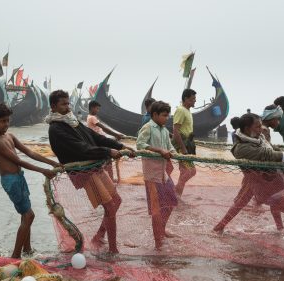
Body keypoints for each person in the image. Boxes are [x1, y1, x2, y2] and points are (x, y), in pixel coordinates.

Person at [47, 90, 135, 254]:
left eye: (68, 103)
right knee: (109, 207)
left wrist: (120, 146)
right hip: (83, 172)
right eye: (63, 104)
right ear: (53, 106)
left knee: (117, 201)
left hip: (95, 167)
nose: (68, 106)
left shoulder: (72, 121)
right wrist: (108, 152)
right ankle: (113, 250)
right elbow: (81, 149)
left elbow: (95, 137)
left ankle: (99, 236)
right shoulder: (56, 129)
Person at [231, 113, 284, 255]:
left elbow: (276, 151)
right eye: (257, 126)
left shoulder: (259, 139)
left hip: (278, 184)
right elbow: (273, 155)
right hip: (268, 190)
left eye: (261, 125)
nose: (261, 129)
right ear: (246, 128)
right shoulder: (242, 148)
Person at [0, 104, 59, 258]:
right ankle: (15, 256)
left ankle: (27, 250)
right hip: (11, 181)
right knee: (29, 216)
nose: (6, 124)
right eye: (2, 121)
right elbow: (19, 161)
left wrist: (52, 163)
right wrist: (43, 171)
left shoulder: (10, 136)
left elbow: (29, 152)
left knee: (25, 215)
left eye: (8, 121)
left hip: (19, 177)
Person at [214, 106, 284, 233]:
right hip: (258, 174)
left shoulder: (245, 133)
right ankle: (219, 226)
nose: (278, 122)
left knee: (243, 202)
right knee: (242, 203)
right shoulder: (263, 131)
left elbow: (268, 150)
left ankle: (220, 226)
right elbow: (266, 152)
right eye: (277, 118)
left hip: (258, 173)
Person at [137, 101, 179, 249]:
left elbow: (170, 146)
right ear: (154, 115)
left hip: (164, 174)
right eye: (164, 115)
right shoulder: (147, 127)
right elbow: (140, 145)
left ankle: (162, 229)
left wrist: (174, 153)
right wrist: (159, 151)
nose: (167, 118)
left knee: (171, 201)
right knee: (156, 209)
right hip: (152, 175)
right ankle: (157, 242)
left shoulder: (165, 130)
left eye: (168, 116)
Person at [172, 89, 197, 198]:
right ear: (186, 99)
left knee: (184, 171)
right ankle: (174, 192)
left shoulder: (187, 111)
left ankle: (177, 196)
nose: (194, 101)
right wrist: (183, 149)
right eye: (192, 99)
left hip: (188, 144)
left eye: (195, 99)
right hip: (182, 145)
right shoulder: (181, 110)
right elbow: (175, 130)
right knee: (191, 171)